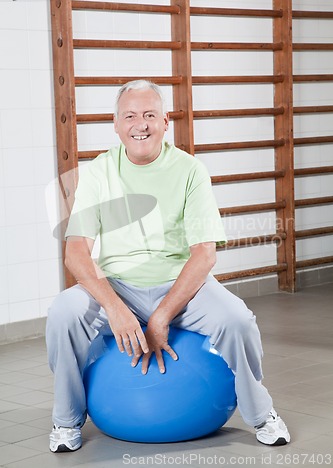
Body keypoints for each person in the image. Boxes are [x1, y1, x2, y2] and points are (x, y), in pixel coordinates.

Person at [46, 80, 290, 453]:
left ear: (165, 122)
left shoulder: (190, 170)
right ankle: (66, 422)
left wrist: (160, 317)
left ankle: (261, 414)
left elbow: (204, 254)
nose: (140, 124)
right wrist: (115, 308)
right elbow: (76, 252)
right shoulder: (97, 172)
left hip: (181, 286)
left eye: (149, 115)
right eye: (130, 116)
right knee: (63, 312)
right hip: (118, 285)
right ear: (116, 124)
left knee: (237, 319)